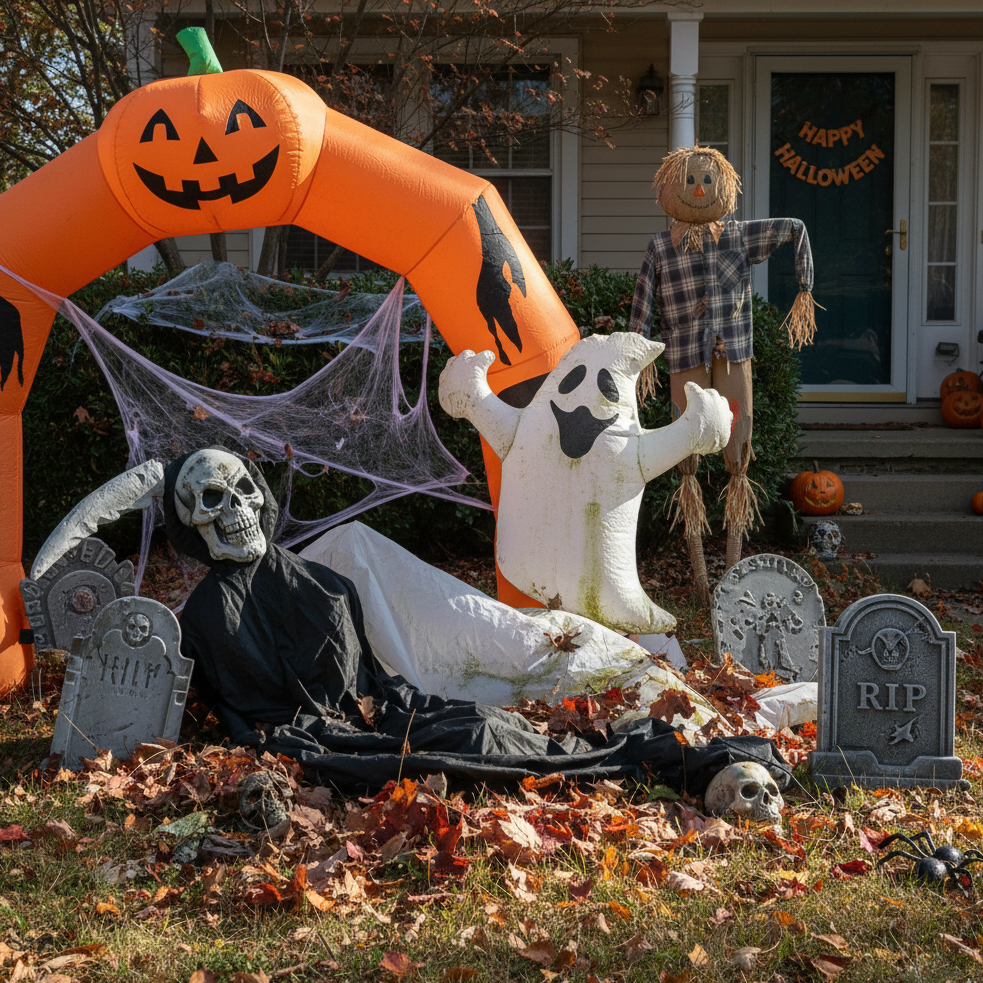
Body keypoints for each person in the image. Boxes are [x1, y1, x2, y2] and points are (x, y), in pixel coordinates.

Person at [630, 146, 818, 601]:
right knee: (686, 453)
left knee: (738, 450)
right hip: (685, 359)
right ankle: (699, 578)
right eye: (690, 181)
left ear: (725, 186)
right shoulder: (661, 246)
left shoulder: (737, 236)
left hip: (732, 355)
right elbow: (643, 303)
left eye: (708, 181)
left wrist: (805, 290)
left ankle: (732, 578)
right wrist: (635, 354)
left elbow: (794, 229)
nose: (698, 188)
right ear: (669, 187)